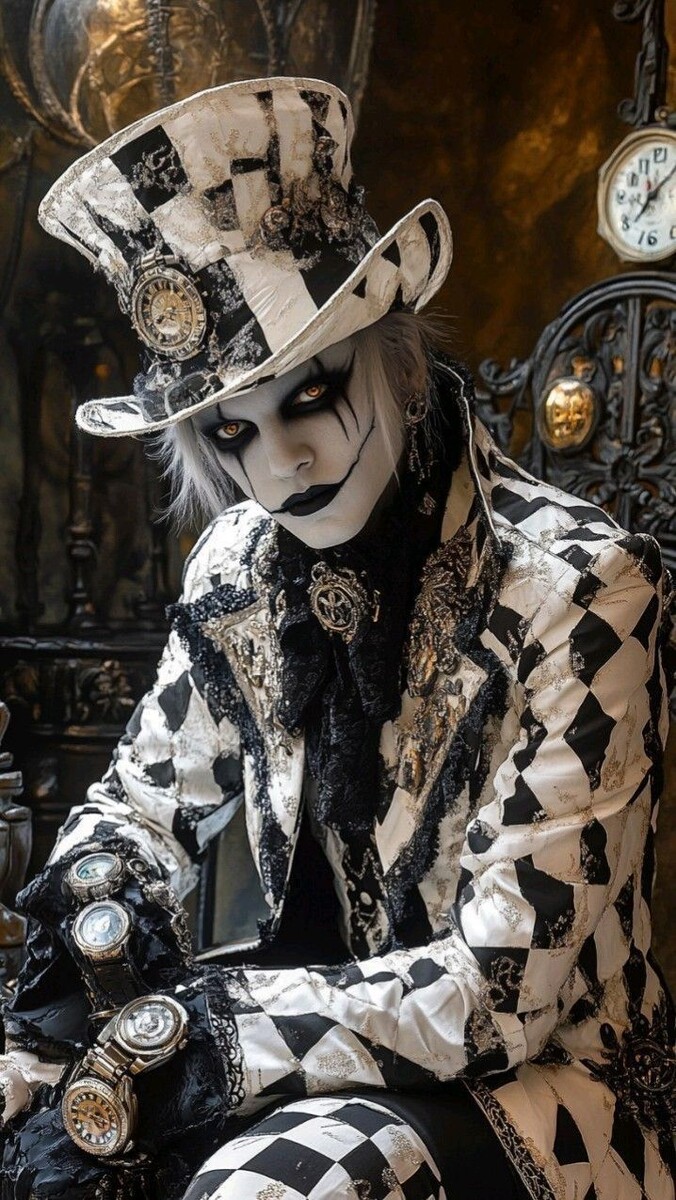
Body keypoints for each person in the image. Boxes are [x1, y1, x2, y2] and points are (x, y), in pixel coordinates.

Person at [0, 76, 673, 1200]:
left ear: (391, 345)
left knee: (267, 1191)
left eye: (311, 396)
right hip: (313, 1046)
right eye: (231, 432)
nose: (280, 466)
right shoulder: (239, 564)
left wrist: (208, 1036)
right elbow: (144, 805)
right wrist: (97, 914)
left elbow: (502, 993)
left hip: (552, 1088)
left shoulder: (584, 588)